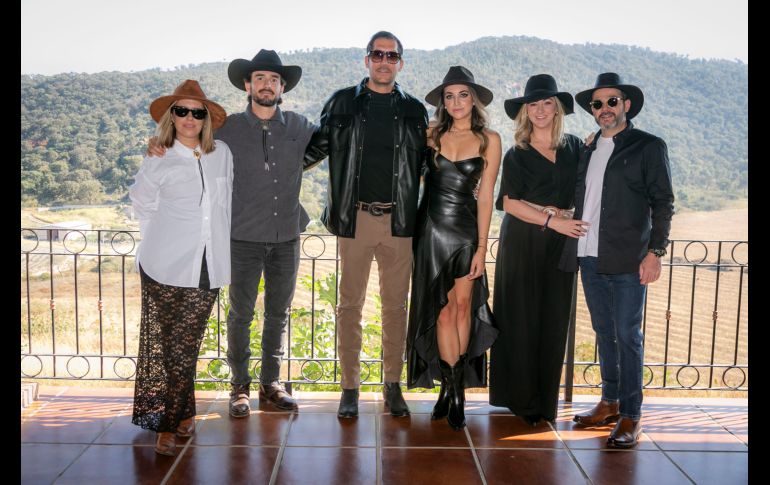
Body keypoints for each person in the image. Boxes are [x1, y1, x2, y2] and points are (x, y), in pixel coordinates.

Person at [148, 50, 316, 416]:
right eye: (259, 78)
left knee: (278, 314)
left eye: (273, 79)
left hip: (286, 235)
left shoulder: (301, 127)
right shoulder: (227, 129)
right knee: (240, 314)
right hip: (240, 238)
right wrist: (159, 145)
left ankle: (270, 384)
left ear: (282, 86)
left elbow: (336, 143)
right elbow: (188, 138)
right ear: (247, 85)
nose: (266, 85)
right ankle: (238, 387)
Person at [304, 31, 429, 418]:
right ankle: (350, 388)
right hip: (355, 219)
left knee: (395, 308)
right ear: (367, 60)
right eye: (377, 54)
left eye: (391, 55)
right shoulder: (342, 102)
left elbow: (429, 164)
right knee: (350, 306)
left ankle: (392, 385)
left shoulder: (414, 110)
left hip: (400, 221)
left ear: (400, 63)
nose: (384, 61)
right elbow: (311, 150)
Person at [561, 72, 674, 448]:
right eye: (598, 104)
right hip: (589, 255)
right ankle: (609, 402)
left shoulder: (648, 147)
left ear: (626, 105)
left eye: (612, 101)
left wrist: (655, 252)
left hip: (628, 258)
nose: (605, 108)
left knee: (628, 336)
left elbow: (663, 203)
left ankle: (631, 415)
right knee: (604, 333)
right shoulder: (588, 149)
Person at [130, 79, 233, 456]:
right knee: (167, 343)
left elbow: (226, 204)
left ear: (206, 118)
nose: (189, 118)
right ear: (171, 116)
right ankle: (175, 419)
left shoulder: (222, 153)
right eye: (182, 110)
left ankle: (172, 418)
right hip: (162, 262)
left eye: (197, 111)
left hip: (208, 264)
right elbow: (141, 204)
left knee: (184, 344)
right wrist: (161, 237)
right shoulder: (158, 157)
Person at [488, 74, 587, 426]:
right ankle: (521, 401)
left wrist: (564, 215)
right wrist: (551, 219)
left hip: (562, 246)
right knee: (521, 319)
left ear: (557, 108)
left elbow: (585, 188)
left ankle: (545, 402)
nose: (541, 110)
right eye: (534, 104)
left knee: (554, 319)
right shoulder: (518, 153)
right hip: (523, 242)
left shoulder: (576, 146)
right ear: (525, 111)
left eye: (547, 103)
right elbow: (510, 203)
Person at [406, 66, 501, 430]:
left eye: (463, 94)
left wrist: (481, 247)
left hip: (465, 233)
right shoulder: (431, 134)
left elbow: (487, 196)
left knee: (463, 308)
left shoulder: (489, 139)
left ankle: (456, 391)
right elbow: (409, 177)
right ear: (443, 103)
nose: (456, 102)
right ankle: (448, 387)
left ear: (473, 99)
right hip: (430, 231)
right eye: (449, 96)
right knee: (442, 312)